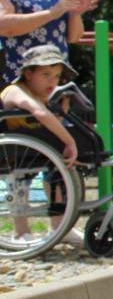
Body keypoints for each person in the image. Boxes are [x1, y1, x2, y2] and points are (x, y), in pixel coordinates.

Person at [1, 45, 82, 245]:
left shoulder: (41, 96)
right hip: (12, 152)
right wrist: (69, 140)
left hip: (34, 150)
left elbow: (44, 126)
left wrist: (61, 113)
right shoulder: (15, 91)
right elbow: (38, 113)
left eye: (56, 76)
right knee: (22, 179)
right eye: (46, 74)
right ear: (28, 73)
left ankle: (59, 224)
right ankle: (20, 232)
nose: (52, 81)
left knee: (61, 168)